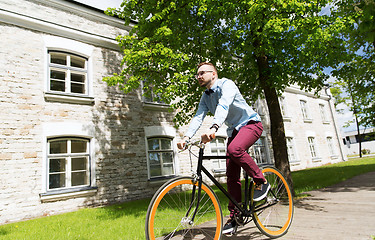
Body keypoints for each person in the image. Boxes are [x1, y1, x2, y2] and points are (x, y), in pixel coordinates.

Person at [177, 62, 270, 235]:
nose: (198, 76)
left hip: (251, 124)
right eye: (197, 74)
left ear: (213, 74)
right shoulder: (205, 97)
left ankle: (261, 180)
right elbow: (198, 117)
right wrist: (187, 137)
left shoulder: (227, 84)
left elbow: (224, 105)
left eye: (202, 73)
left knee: (235, 150)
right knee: (231, 174)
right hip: (234, 130)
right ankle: (235, 216)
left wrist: (213, 127)